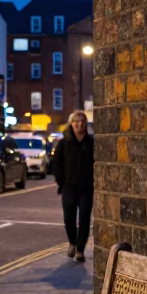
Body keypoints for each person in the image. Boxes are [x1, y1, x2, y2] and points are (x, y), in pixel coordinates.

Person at [52, 110, 94, 263]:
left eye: (82, 121)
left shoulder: (91, 143)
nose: (80, 124)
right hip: (68, 188)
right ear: (71, 123)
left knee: (84, 219)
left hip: (86, 189)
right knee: (69, 218)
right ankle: (72, 241)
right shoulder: (64, 143)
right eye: (76, 121)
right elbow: (55, 164)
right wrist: (61, 181)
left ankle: (80, 249)